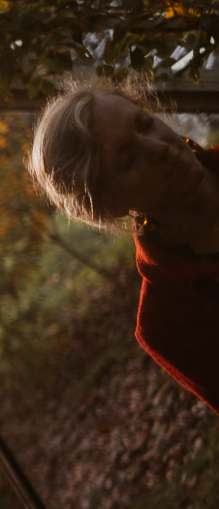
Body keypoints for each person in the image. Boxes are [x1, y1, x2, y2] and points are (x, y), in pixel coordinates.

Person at [28, 78, 219, 412]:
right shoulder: (169, 323)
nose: (159, 148)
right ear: (111, 204)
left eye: (145, 123)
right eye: (128, 160)